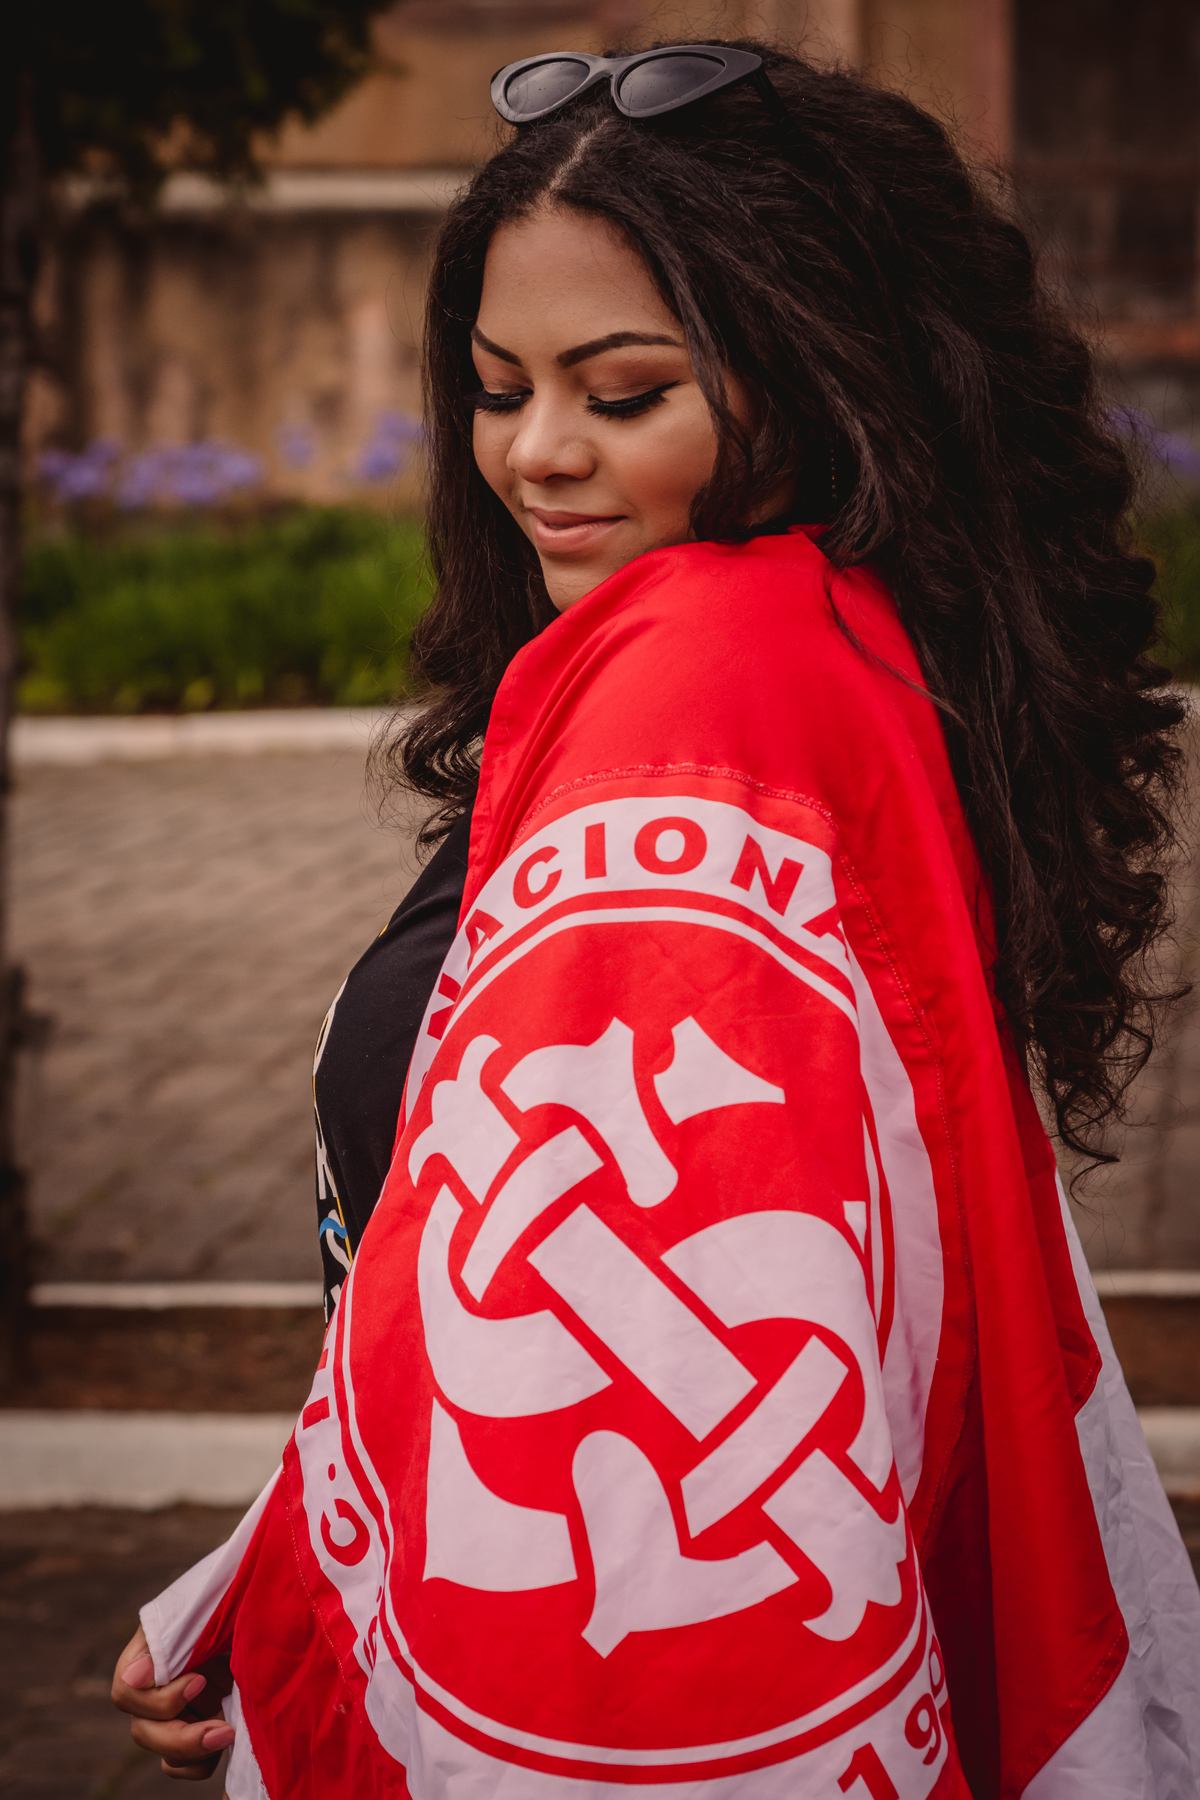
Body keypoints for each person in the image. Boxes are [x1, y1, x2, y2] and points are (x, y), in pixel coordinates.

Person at [111, 38, 1200, 1798]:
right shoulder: (812, 656)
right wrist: (283, 1564)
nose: (536, 456)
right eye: (496, 387)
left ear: (827, 384)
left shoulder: (710, 691)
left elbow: (638, 1424)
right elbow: (506, 1256)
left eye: (625, 396)